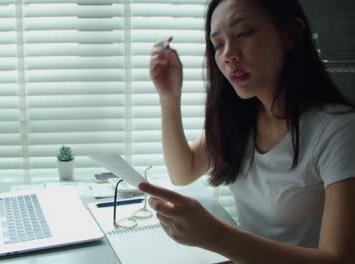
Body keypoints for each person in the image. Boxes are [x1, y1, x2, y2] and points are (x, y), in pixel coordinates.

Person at [139, 0, 355, 262]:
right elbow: (183, 171)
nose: (229, 54)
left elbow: (340, 259)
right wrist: (168, 96)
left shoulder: (339, 130)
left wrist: (216, 236)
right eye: (218, 44)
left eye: (243, 34)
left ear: (290, 36)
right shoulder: (241, 119)